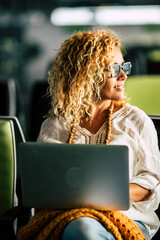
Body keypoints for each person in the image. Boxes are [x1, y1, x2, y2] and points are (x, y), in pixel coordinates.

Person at [18, 29, 160, 240]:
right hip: (67, 217)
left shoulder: (137, 121)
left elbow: (152, 183)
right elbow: (42, 185)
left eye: (124, 66)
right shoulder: (56, 124)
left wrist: (104, 194)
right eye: (114, 68)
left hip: (129, 219)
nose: (123, 75)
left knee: (84, 229)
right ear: (87, 73)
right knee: (82, 227)